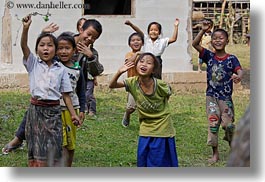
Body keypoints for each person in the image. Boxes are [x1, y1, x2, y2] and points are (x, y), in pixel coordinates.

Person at [21, 15, 80, 167]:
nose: (46, 48)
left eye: (50, 45)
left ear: (56, 49)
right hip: (36, 110)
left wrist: (73, 115)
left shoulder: (60, 70)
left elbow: (66, 94)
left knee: (54, 145)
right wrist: (26, 28)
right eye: (42, 45)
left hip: (54, 111)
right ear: (37, 49)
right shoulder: (33, 63)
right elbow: (24, 46)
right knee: (36, 145)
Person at [109, 52, 178, 167]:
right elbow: (112, 85)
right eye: (141, 61)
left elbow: (168, 94)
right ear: (136, 65)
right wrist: (119, 72)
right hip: (145, 127)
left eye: (149, 63)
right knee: (143, 160)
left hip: (162, 127)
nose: (144, 64)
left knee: (158, 162)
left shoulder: (160, 85)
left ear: (153, 69)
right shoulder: (132, 82)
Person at [192, 19, 243, 164]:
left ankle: (232, 144)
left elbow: (239, 71)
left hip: (225, 98)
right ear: (211, 41)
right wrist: (203, 30)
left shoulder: (232, 59)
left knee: (229, 125)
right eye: (215, 38)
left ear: (227, 41)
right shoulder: (209, 56)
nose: (217, 40)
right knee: (213, 124)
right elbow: (195, 44)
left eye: (221, 38)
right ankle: (215, 153)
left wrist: (238, 77)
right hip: (212, 97)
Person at [57, 32, 86, 167]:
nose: (63, 51)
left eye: (67, 48)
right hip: (55, 109)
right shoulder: (54, 66)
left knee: (70, 142)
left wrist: (82, 109)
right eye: (60, 48)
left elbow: (81, 90)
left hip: (72, 109)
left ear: (74, 50)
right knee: (60, 141)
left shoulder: (77, 69)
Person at [73, 19, 103, 118]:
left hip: (76, 91)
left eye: (94, 38)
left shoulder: (92, 53)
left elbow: (96, 71)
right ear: (81, 30)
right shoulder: (66, 42)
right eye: (89, 34)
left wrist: (90, 57)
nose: (90, 38)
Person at [121, 32, 144, 127]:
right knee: (131, 107)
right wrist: (137, 54)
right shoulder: (129, 54)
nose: (136, 42)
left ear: (142, 43)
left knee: (143, 105)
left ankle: (144, 123)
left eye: (138, 40)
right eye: (133, 40)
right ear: (129, 44)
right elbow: (128, 62)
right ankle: (127, 114)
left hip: (144, 83)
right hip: (132, 83)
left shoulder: (145, 54)